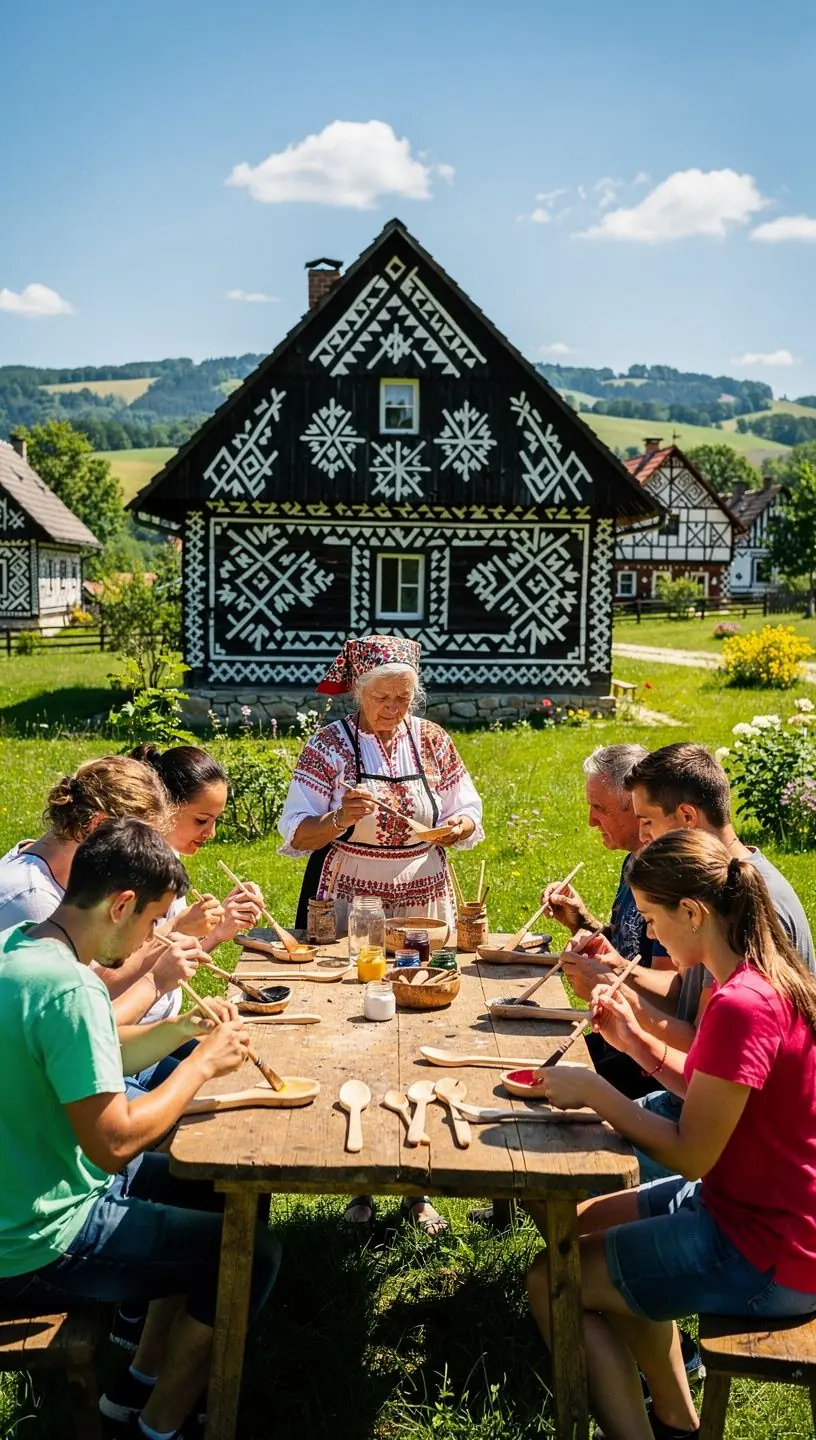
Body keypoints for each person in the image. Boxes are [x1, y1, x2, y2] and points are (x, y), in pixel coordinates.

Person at [526, 830, 816, 1440]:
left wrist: (598, 1092)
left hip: (768, 1250)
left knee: (552, 1280)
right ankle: (675, 1422)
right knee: (575, 1225)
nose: (649, 934)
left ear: (693, 911)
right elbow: (714, 1098)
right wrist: (636, 1041)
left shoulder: (742, 1003)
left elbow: (691, 1152)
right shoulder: (757, 977)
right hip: (747, 1208)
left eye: (654, 918)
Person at [0, 818, 280, 1440]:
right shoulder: (70, 988)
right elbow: (115, 1143)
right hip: (34, 1239)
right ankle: (159, 1427)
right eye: (153, 922)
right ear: (121, 903)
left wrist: (180, 1034)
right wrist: (200, 1068)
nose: (156, 937)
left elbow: (93, 1058)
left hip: (23, 1190)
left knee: (211, 1187)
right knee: (252, 1256)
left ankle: (140, 1381)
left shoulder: (23, 946)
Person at [279, 634, 484, 1234]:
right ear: (358, 693)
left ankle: (420, 1183)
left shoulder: (433, 741)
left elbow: (466, 805)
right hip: (356, 903)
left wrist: (457, 824)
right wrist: (340, 816)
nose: (396, 707)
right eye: (384, 697)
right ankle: (363, 1179)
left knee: (426, 1019)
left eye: (403, 696)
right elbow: (296, 833)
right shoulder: (328, 747)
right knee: (360, 1019)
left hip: (423, 901)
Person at [560, 744, 816, 1178]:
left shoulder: (749, 902)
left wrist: (624, 1006)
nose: (642, 838)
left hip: (734, 1129)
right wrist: (617, 968)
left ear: (686, 818)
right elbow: (683, 992)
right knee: (558, 1134)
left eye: (647, 823)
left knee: (566, 1159)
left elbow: (703, 1039)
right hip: (694, 1092)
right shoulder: (714, 880)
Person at [539, 744, 661, 1101]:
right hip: (618, 1036)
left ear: (637, 808)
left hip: (645, 1060)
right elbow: (630, 949)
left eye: (600, 808)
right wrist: (581, 922)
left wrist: (610, 979)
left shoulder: (668, 882)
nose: (591, 821)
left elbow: (673, 990)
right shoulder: (634, 864)